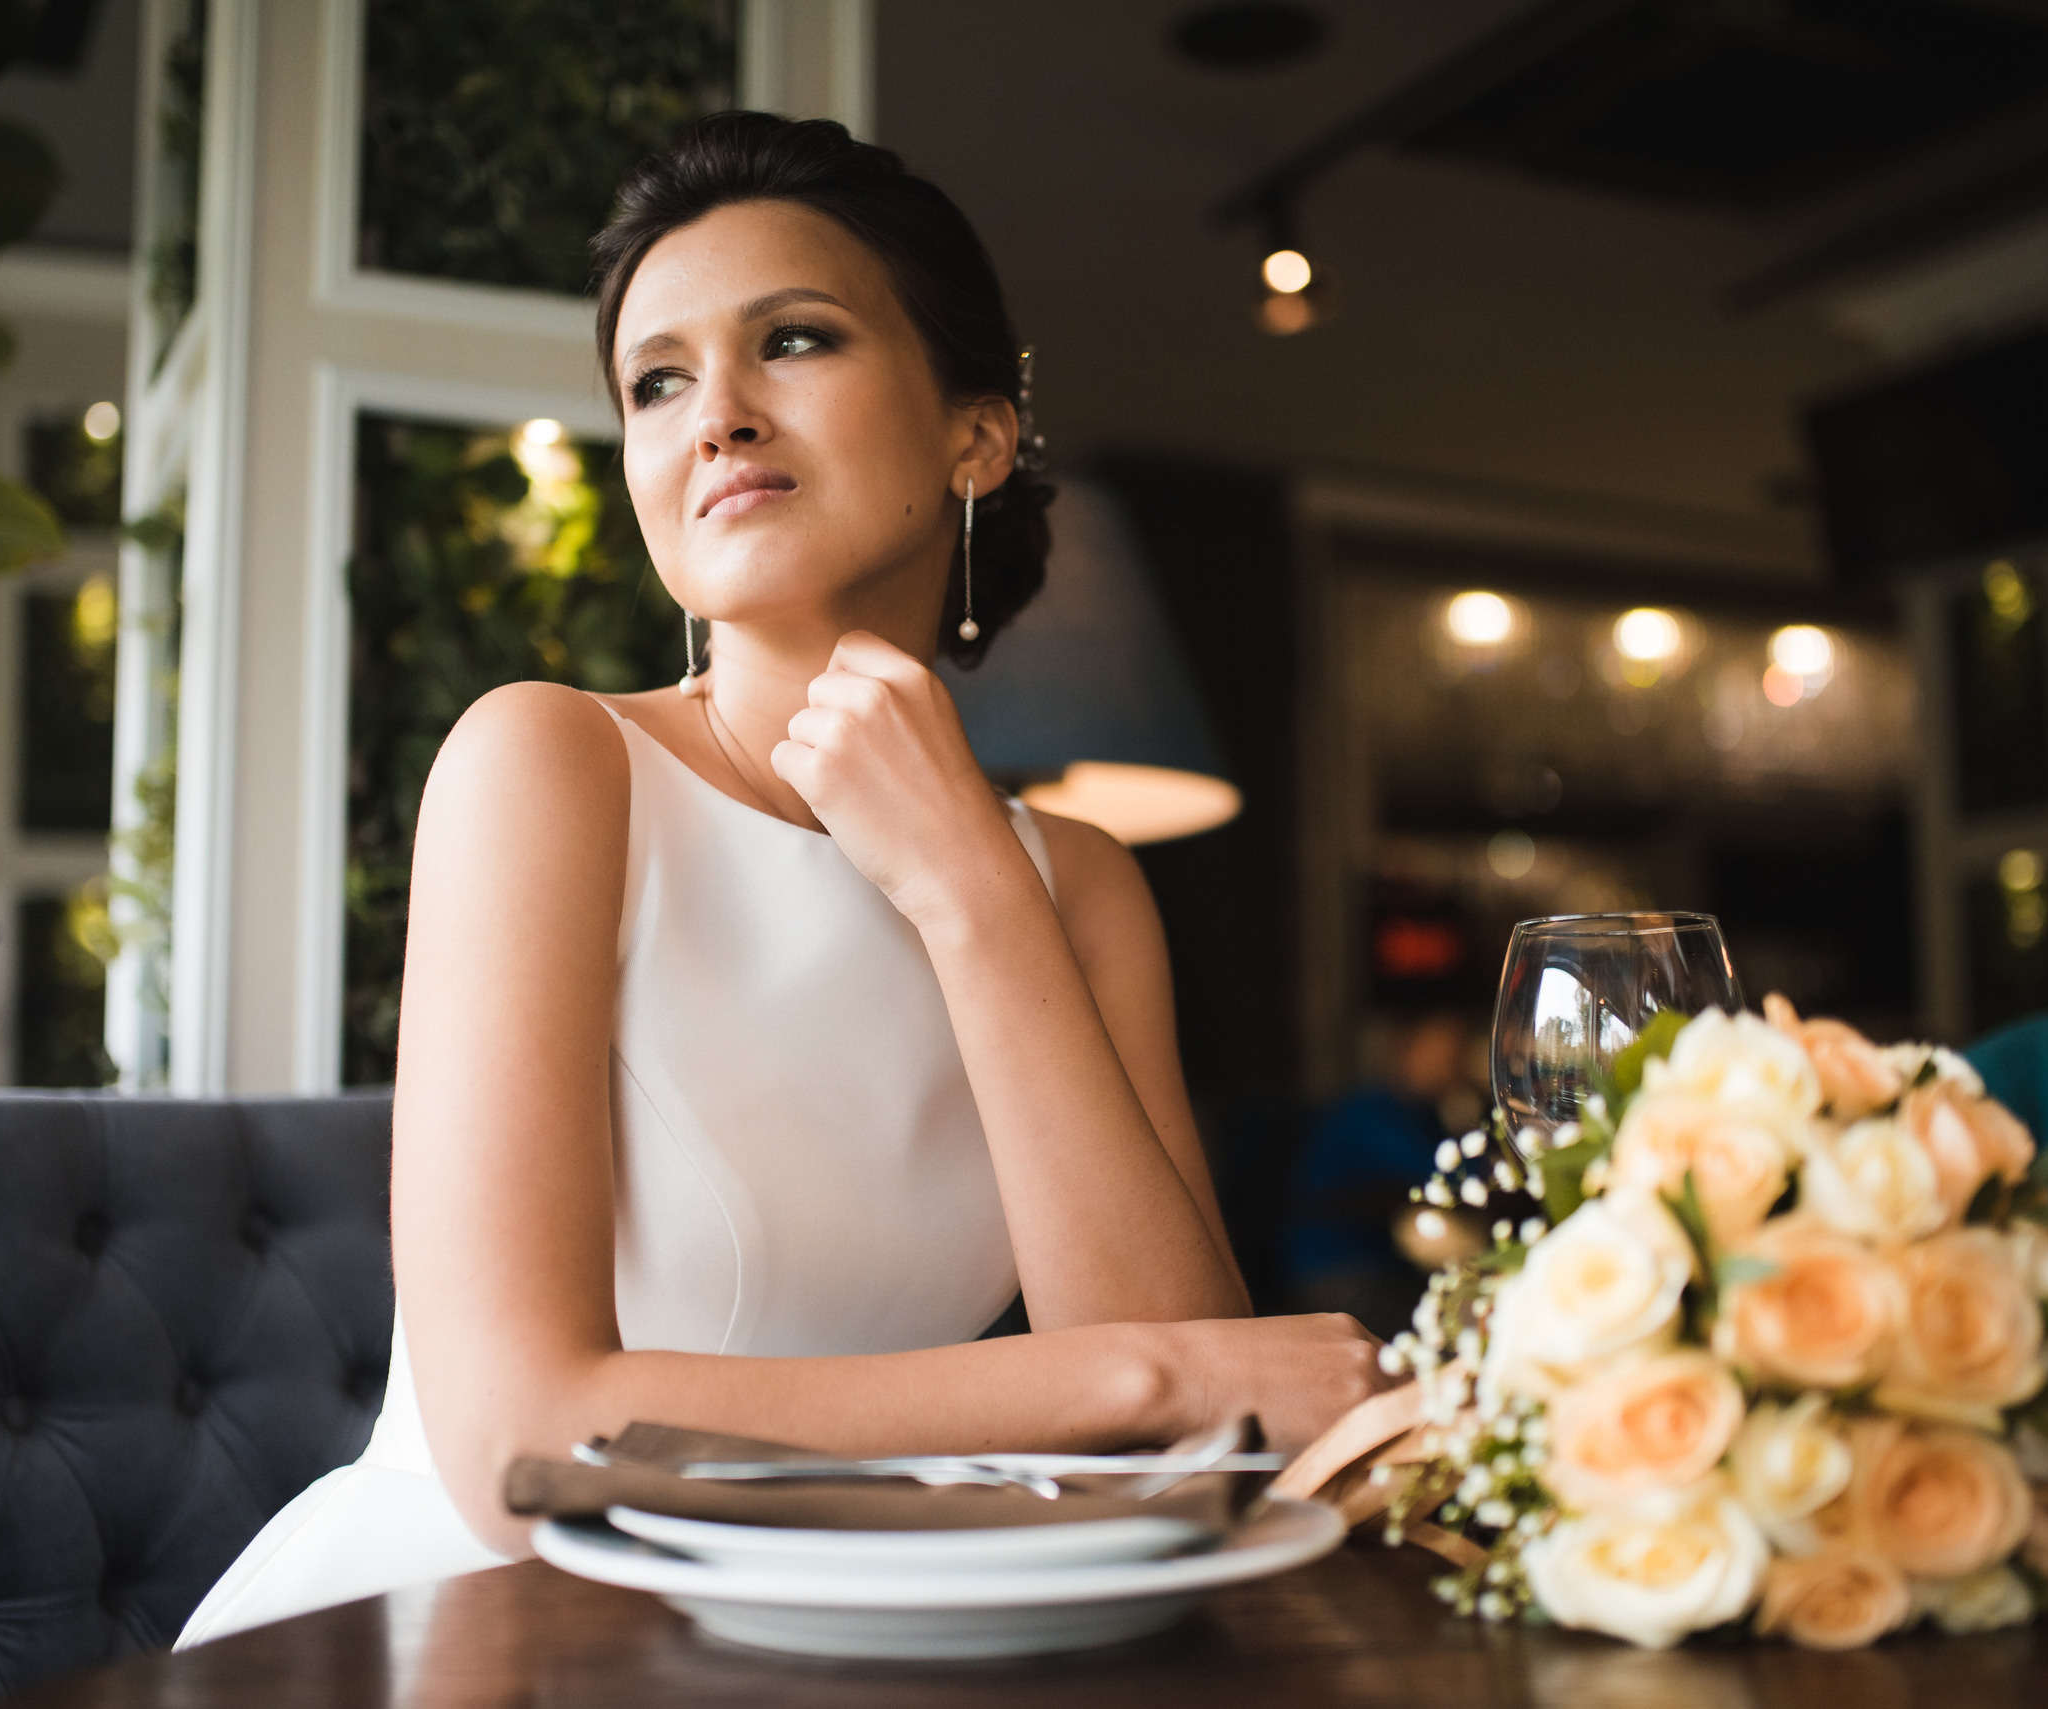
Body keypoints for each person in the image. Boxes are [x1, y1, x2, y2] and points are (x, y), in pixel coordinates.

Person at [179, 113, 1385, 1645]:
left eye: (794, 340)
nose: (717, 417)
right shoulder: (546, 766)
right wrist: (1151, 1383)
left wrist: (970, 884)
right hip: (476, 1626)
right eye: (658, 381)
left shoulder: (1075, 885)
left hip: (866, 1634)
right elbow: (520, 1447)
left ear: (976, 434)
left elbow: (1191, 1454)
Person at [1282, 1003, 1486, 1336]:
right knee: (1457, 1325)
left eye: (1458, 1052)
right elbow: (1443, 1178)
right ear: (1406, 1049)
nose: (1452, 1064)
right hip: (1337, 1271)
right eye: (1442, 1051)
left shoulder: (1421, 1114)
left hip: (1385, 1266)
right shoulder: (1369, 1112)